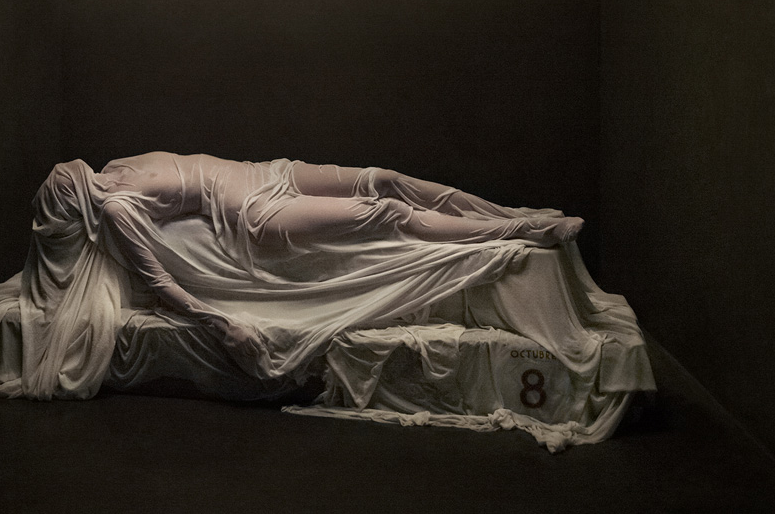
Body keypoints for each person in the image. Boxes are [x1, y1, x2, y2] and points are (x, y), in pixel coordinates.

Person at [91, 153, 582, 369]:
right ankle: (524, 231)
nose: (70, 173)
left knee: (385, 179)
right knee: (389, 213)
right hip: (252, 213)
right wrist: (219, 324)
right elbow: (159, 280)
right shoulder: (116, 207)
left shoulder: (115, 168)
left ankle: (511, 214)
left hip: (264, 172)